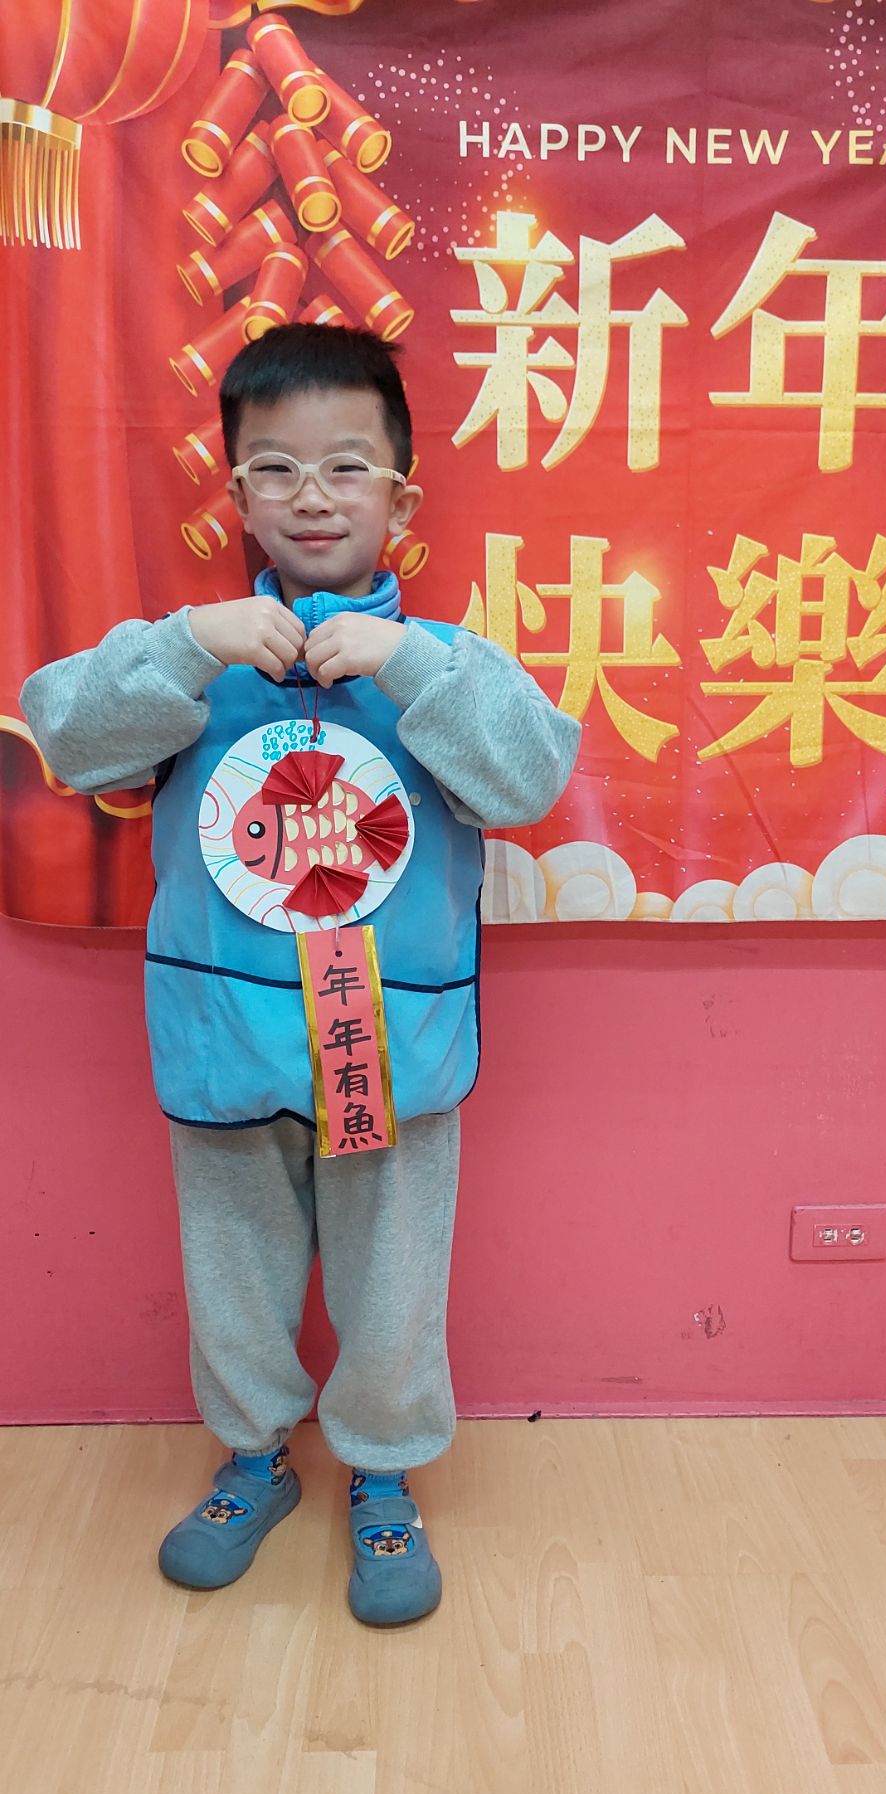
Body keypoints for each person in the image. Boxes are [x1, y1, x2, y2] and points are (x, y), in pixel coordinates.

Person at [21, 322, 580, 1626]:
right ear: (235, 492)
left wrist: (412, 662)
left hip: (389, 1037)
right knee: (231, 1260)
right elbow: (67, 735)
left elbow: (530, 776)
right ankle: (254, 1458)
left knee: (395, 1274)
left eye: (345, 466)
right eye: (274, 467)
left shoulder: (442, 665)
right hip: (225, 1033)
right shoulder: (196, 660)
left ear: (403, 497)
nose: (311, 496)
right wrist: (186, 643)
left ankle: (383, 1471)